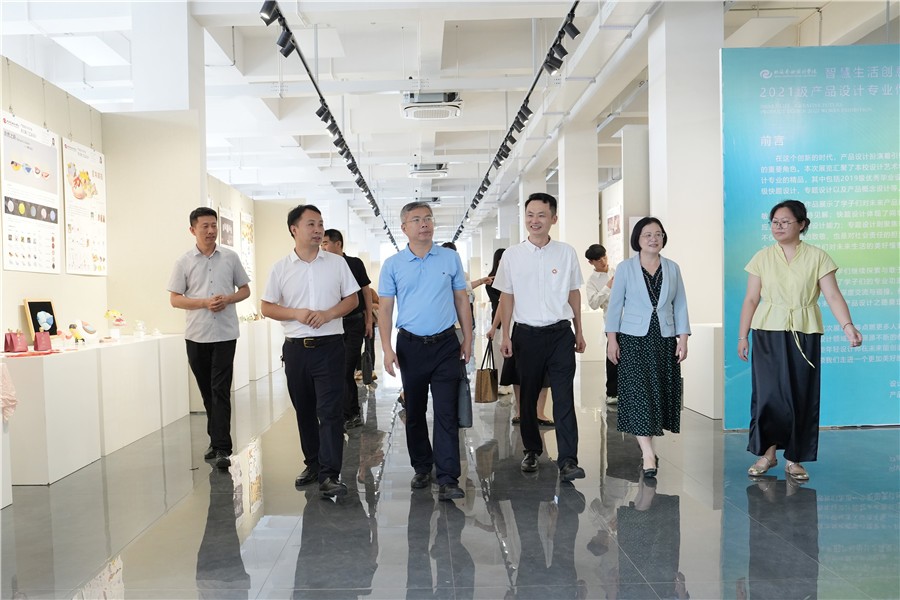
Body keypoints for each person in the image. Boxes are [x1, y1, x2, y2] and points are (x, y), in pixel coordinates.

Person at [738, 200, 862, 481]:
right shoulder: (761, 257)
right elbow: (751, 299)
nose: (778, 227)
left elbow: (832, 295)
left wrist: (848, 326)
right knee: (768, 396)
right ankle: (767, 454)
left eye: (785, 222)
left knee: (801, 394)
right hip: (768, 331)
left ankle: (794, 459)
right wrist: (743, 336)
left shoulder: (818, 257)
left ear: (802, 224)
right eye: (774, 222)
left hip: (805, 331)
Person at [260, 204, 360, 498]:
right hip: (296, 351)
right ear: (294, 229)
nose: (318, 230)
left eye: (320, 224)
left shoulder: (337, 264)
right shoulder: (280, 268)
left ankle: (330, 474)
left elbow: (352, 300)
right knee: (304, 410)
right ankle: (313, 465)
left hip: (330, 347)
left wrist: (328, 314)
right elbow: (266, 307)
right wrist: (295, 313)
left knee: (330, 412)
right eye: (311, 224)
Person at [378, 201, 472, 501]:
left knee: (446, 411)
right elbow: (385, 309)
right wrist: (386, 349)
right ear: (404, 228)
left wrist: (468, 338)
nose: (424, 224)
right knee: (415, 410)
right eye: (417, 219)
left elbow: (461, 300)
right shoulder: (393, 265)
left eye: (428, 218)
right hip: (410, 346)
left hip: (445, 344)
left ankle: (448, 478)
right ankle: (421, 466)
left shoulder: (449, 258)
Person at [493, 192, 587, 481]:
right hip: (526, 336)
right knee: (528, 397)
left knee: (563, 397)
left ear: (553, 219)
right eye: (530, 215)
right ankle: (531, 450)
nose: (535, 220)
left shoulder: (566, 252)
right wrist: (505, 335)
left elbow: (573, 293)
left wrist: (579, 330)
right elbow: (506, 297)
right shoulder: (512, 255)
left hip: (560, 334)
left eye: (541, 215)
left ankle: (568, 460)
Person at [606, 217, 690, 479]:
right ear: (638, 239)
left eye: (658, 234)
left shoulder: (672, 268)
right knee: (639, 393)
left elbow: (681, 304)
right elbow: (615, 306)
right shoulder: (625, 268)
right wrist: (612, 339)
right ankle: (647, 453)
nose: (654, 239)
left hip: (664, 339)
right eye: (647, 235)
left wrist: (683, 338)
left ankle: (648, 447)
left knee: (657, 393)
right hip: (633, 338)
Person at [168, 207, 250, 470]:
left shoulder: (230, 257)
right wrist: (204, 302)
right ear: (192, 230)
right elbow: (175, 299)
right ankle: (216, 441)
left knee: (220, 389)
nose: (211, 230)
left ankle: (223, 447)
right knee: (207, 391)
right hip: (197, 335)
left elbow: (245, 290)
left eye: (214, 225)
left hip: (225, 334)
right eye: (205, 226)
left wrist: (228, 299)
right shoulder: (183, 262)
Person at [321, 228, 373, 431]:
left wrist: (369, 320)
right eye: (322, 243)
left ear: (338, 244)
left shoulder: (354, 263)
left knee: (346, 368)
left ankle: (351, 413)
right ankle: (343, 413)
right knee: (335, 370)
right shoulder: (322, 266)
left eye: (326, 243)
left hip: (354, 324)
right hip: (332, 325)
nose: (323, 247)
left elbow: (366, 292)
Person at [585, 244, 618, 405]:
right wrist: (607, 287)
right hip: (611, 321)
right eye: (599, 260)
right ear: (591, 262)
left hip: (630, 320)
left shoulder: (617, 271)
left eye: (604, 257)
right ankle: (612, 393)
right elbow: (593, 304)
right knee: (613, 357)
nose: (603, 261)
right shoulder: (591, 281)